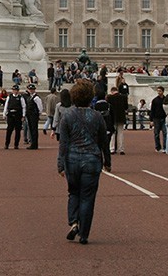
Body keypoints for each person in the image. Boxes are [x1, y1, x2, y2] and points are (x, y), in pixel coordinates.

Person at [56, 79, 111, 245]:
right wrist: (108, 161)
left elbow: (63, 144)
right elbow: (104, 142)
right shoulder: (97, 116)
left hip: (72, 159)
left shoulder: (67, 116)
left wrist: (60, 164)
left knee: (73, 192)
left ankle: (73, 222)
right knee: (87, 197)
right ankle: (84, 234)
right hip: (92, 160)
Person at [106, 87, 128, 154]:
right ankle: (121, 149)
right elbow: (126, 107)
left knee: (113, 133)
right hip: (121, 117)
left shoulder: (109, 98)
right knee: (120, 133)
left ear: (112, 91)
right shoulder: (123, 97)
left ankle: (112, 149)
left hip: (112, 117)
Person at [3, 85, 26, 149]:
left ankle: (16, 144)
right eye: (14, 90)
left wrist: (23, 115)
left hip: (18, 115)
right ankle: (7, 144)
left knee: (18, 130)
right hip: (10, 115)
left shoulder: (21, 98)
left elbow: (24, 107)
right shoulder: (9, 97)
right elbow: (6, 106)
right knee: (9, 130)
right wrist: (4, 114)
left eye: (16, 90)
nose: (15, 91)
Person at [25, 83, 43, 149]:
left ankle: (34, 144)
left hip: (34, 115)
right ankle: (33, 143)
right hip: (29, 115)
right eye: (30, 89)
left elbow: (40, 107)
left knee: (34, 129)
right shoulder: (30, 97)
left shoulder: (36, 98)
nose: (31, 90)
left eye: (32, 89)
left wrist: (38, 114)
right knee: (31, 129)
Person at [149, 86, 167, 152]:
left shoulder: (165, 99)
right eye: (158, 91)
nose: (158, 92)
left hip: (164, 117)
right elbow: (152, 110)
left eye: (160, 91)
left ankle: (165, 147)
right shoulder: (155, 100)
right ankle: (158, 147)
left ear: (163, 91)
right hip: (156, 118)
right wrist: (151, 120)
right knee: (156, 133)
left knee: (165, 133)